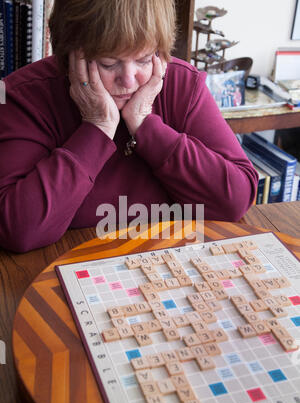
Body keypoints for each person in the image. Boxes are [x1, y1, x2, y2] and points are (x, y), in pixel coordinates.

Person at [0, 0, 258, 253]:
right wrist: (97, 127)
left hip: (168, 264)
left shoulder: (182, 84)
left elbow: (234, 201)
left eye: (144, 59)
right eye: (109, 63)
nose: (129, 79)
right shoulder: (23, 96)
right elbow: (17, 230)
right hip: (59, 272)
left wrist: (146, 124)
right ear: (70, 54)